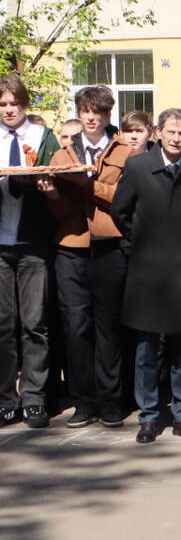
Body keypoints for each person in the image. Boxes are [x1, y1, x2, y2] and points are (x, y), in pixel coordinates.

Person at [112, 108, 181, 444]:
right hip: (147, 273)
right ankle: (149, 417)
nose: (176, 139)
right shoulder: (138, 166)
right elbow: (120, 212)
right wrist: (139, 244)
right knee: (146, 352)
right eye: (171, 132)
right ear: (158, 133)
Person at [45, 85, 133, 429]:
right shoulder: (62, 155)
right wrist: (53, 195)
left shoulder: (126, 153)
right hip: (71, 247)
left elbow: (124, 199)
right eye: (85, 111)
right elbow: (60, 213)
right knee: (75, 327)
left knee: (108, 327)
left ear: (108, 114)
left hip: (110, 245)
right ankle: (83, 401)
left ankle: (110, 401)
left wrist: (89, 185)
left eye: (98, 111)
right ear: (79, 113)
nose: (91, 117)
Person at [0, 74, 60, 429]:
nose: (9, 110)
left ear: (25, 104)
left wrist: (44, 185)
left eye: (15, 103)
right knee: (3, 324)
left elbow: (57, 182)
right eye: (3, 104)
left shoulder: (42, 136)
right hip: (0, 244)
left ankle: (34, 398)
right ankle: (6, 399)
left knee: (34, 324)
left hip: (33, 243)